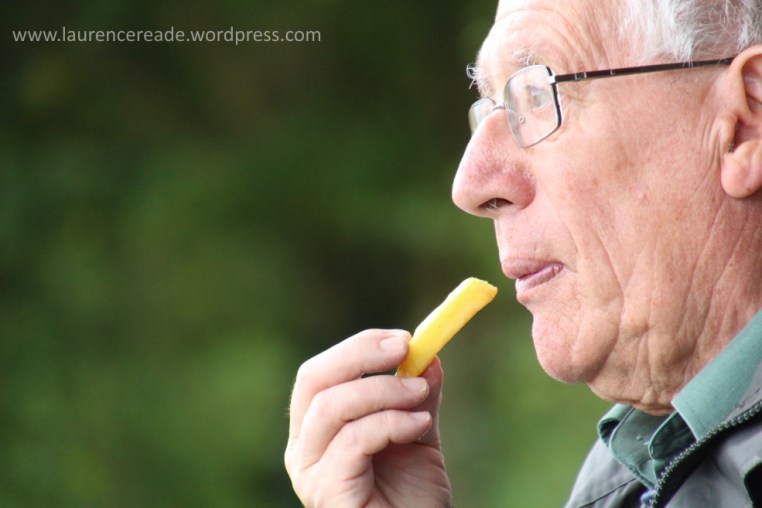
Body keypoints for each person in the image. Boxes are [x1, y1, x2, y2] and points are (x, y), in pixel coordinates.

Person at [284, 0, 762, 506]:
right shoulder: (628, 478)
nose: (470, 186)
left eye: (538, 96)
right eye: (488, 107)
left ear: (743, 123)